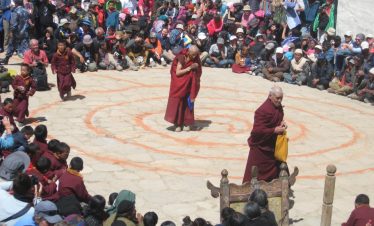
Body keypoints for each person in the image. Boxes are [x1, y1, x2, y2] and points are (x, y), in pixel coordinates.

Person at [243, 86, 286, 182]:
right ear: (270, 96)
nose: (279, 101)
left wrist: (282, 124)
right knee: (254, 174)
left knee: (275, 170)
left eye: (281, 98)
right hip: (260, 147)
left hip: (272, 146)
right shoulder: (262, 111)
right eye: (277, 98)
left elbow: (279, 118)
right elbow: (257, 131)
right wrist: (274, 130)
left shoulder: (278, 107)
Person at [164, 45, 202, 132]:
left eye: (195, 55)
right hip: (179, 83)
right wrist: (190, 68)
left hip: (189, 83)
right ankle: (177, 123)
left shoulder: (196, 58)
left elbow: (198, 71)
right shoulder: (181, 57)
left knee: (188, 101)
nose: (193, 57)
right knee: (179, 101)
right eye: (192, 55)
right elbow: (177, 73)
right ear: (188, 52)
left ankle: (186, 123)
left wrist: (195, 70)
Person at [0, 0, 30, 64]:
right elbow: (27, 22)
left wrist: (11, 31)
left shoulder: (16, 11)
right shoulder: (26, 11)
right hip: (24, 32)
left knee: (11, 45)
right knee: (25, 46)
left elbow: (14, 23)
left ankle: (6, 59)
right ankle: (28, 60)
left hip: (17, 32)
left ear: (16, 4)